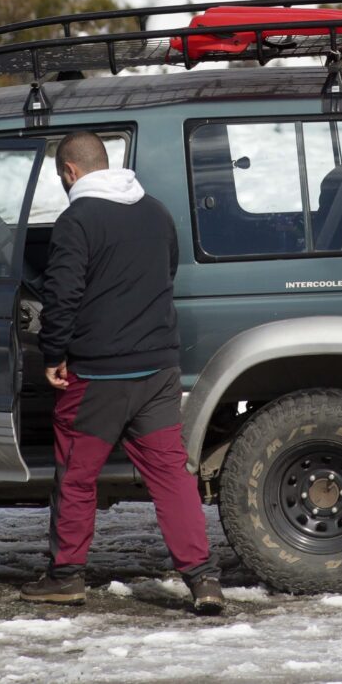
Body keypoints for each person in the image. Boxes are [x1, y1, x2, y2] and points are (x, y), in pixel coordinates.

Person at [21, 132, 225, 615]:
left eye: (61, 177)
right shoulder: (154, 210)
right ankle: (203, 580)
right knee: (172, 477)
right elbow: (166, 273)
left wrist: (53, 354)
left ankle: (66, 576)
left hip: (97, 377)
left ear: (70, 171)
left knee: (76, 476)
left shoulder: (77, 220)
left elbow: (63, 294)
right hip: (157, 369)